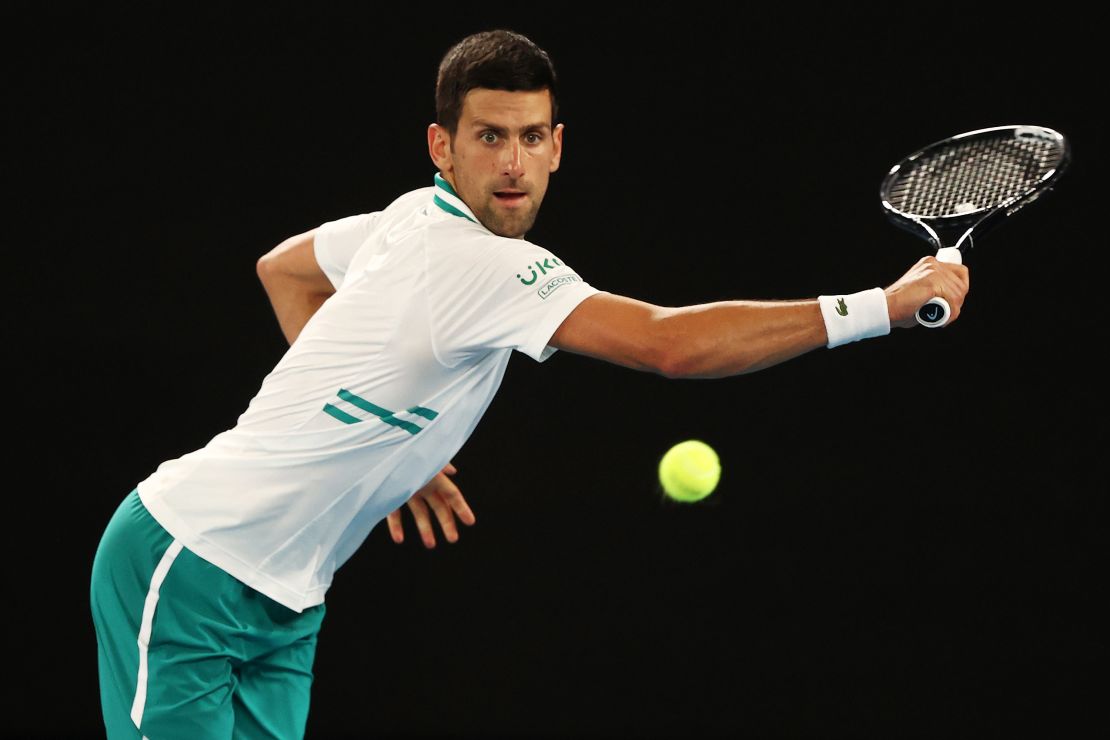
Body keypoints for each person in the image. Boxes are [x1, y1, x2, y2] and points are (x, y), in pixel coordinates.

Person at [90, 28, 969, 739]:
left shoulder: (407, 217)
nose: (512, 161)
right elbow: (669, 345)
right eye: (488, 137)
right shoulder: (479, 263)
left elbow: (283, 270)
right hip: (190, 561)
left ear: (557, 149)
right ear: (444, 145)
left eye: (530, 137)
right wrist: (881, 307)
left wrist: (384, 441)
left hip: (286, 601)